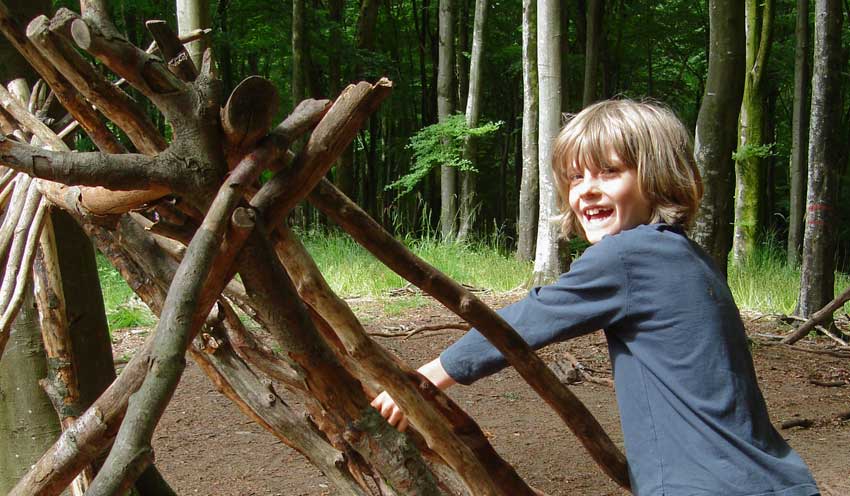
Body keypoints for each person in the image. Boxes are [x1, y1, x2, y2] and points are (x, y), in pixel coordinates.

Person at [371, 99, 820, 496]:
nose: (586, 188)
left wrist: (421, 378)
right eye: (574, 176)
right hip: (772, 478)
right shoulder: (685, 256)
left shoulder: (629, 254)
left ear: (658, 178)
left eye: (609, 171)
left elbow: (526, 320)